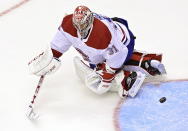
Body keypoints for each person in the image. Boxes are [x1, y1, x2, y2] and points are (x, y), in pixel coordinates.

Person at [28, 5, 166, 98]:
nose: (80, 28)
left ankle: (127, 79)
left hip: (124, 44)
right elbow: (58, 44)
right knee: (98, 61)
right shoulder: (68, 23)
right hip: (117, 36)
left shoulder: (101, 34)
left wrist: (106, 79)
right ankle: (147, 62)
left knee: (98, 72)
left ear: (90, 20)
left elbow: (119, 54)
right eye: (78, 24)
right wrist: (52, 57)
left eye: (83, 24)